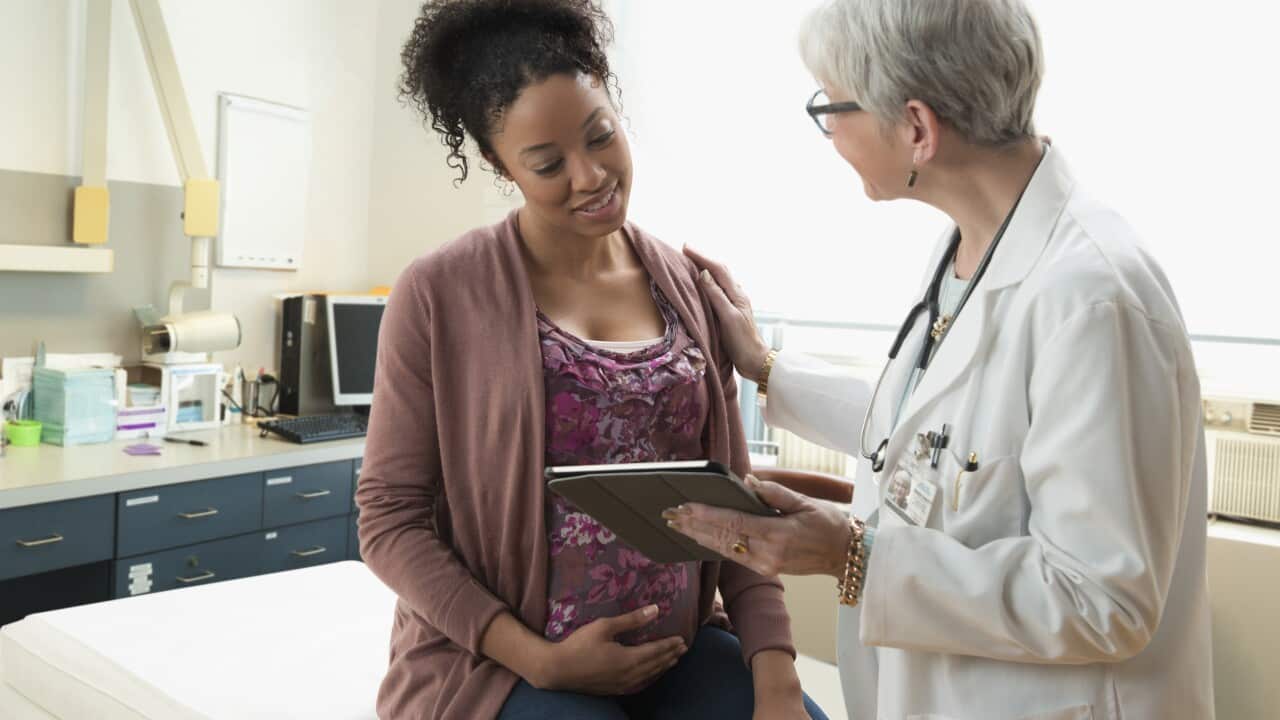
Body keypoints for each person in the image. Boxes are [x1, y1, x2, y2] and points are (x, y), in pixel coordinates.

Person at [666, 0, 1215, 717]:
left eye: (832, 106)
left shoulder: (1092, 299)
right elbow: (943, 435)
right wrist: (767, 367)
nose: (829, 133)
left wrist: (853, 557)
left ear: (917, 127)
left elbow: (1101, 598)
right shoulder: (975, 245)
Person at [355, 1, 827, 718]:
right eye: (547, 165)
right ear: (497, 162)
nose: (590, 176)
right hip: (510, 666)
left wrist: (777, 677)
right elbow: (388, 519)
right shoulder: (438, 293)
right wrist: (534, 657)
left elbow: (735, 500)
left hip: (680, 652)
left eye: (600, 136)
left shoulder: (686, 285)